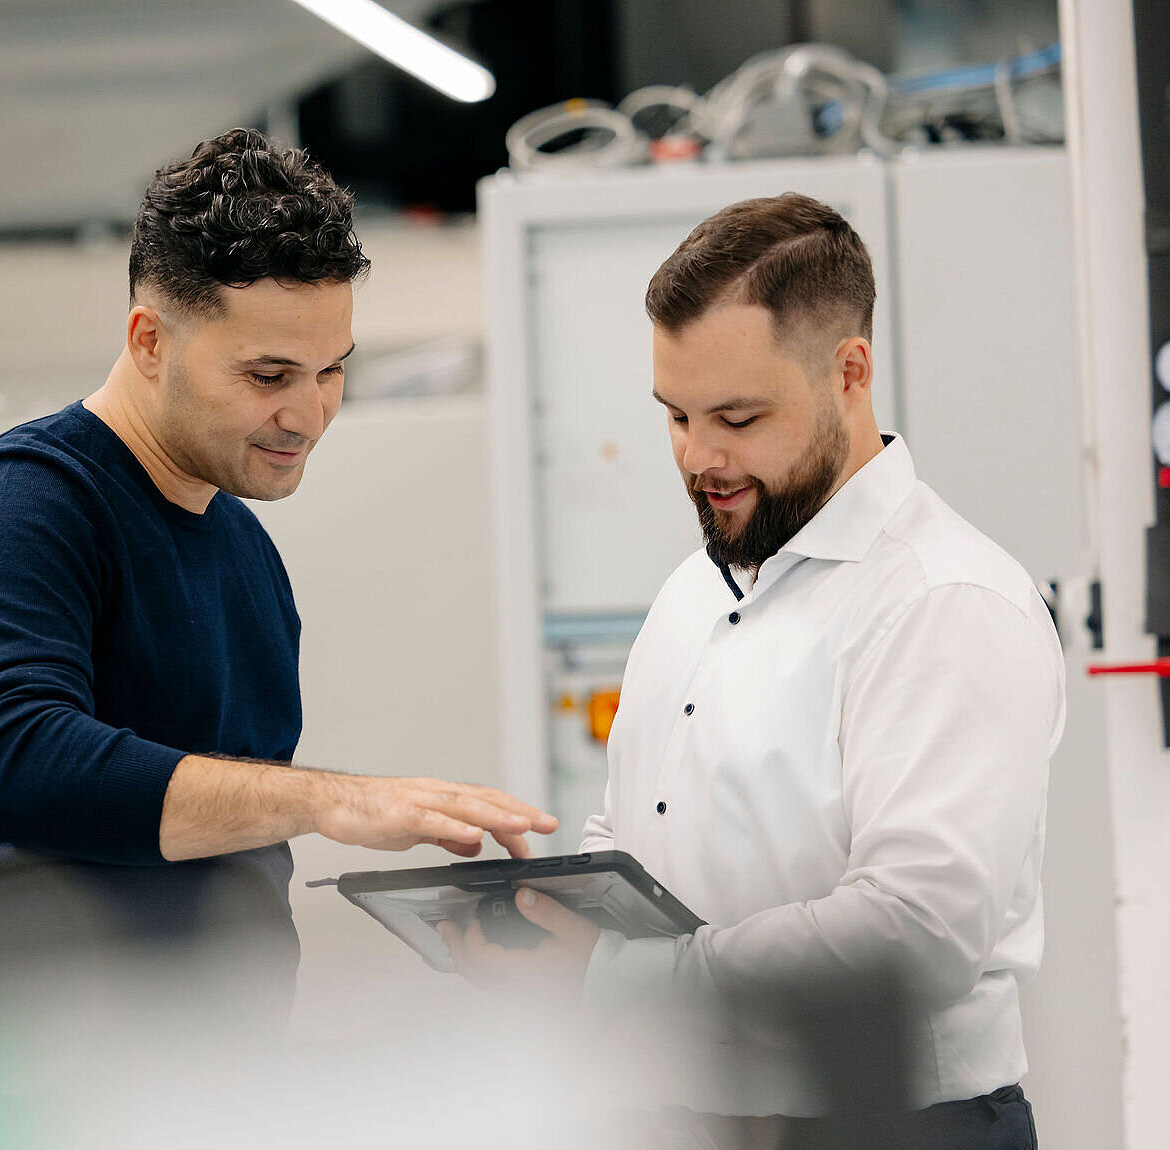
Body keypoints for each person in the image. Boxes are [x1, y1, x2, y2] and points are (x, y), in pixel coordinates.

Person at [0, 129, 556, 1132]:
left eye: (331, 371)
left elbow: (216, 845)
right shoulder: (17, 510)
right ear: (150, 340)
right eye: (269, 372)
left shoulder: (242, 551)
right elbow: (18, 762)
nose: (310, 413)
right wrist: (327, 800)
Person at [443, 193, 1059, 1150]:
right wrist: (545, 912)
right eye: (675, 416)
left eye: (735, 416)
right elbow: (645, 830)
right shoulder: (693, 591)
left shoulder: (947, 600)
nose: (698, 457)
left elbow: (914, 934)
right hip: (692, 1114)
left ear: (848, 372)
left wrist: (610, 975)